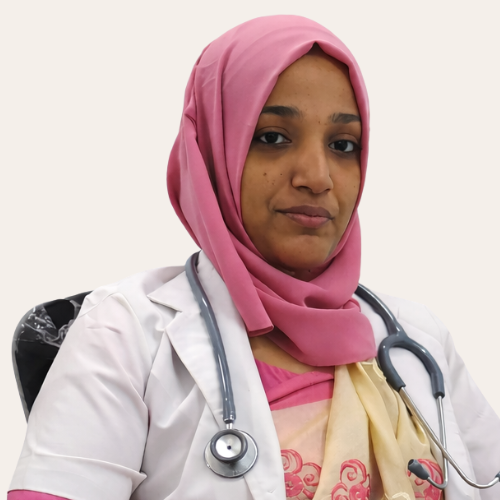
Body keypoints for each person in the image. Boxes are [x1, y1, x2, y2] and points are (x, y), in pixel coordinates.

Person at [8, 15, 500, 500]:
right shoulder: (124, 334)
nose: (317, 176)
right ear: (211, 151)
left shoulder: (419, 338)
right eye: (272, 138)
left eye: (342, 145)